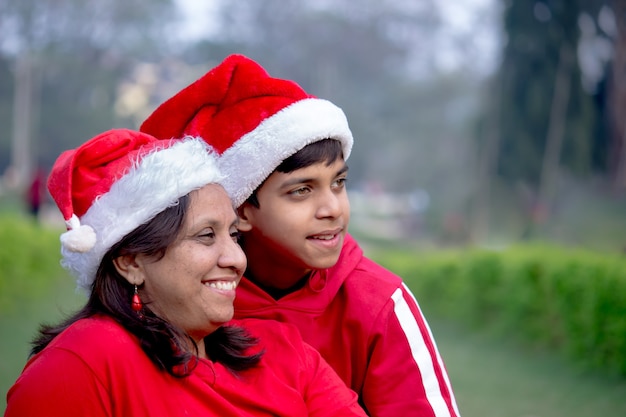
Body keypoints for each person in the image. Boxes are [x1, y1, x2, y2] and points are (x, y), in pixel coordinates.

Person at [140, 54, 461, 417]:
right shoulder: (190, 300)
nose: (332, 208)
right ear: (242, 208)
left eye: (338, 183)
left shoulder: (380, 304)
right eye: (302, 191)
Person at [4, 128, 367, 417]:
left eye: (234, 236)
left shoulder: (285, 353)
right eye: (206, 236)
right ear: (130, 261)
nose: (237, 259)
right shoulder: (84, 364)